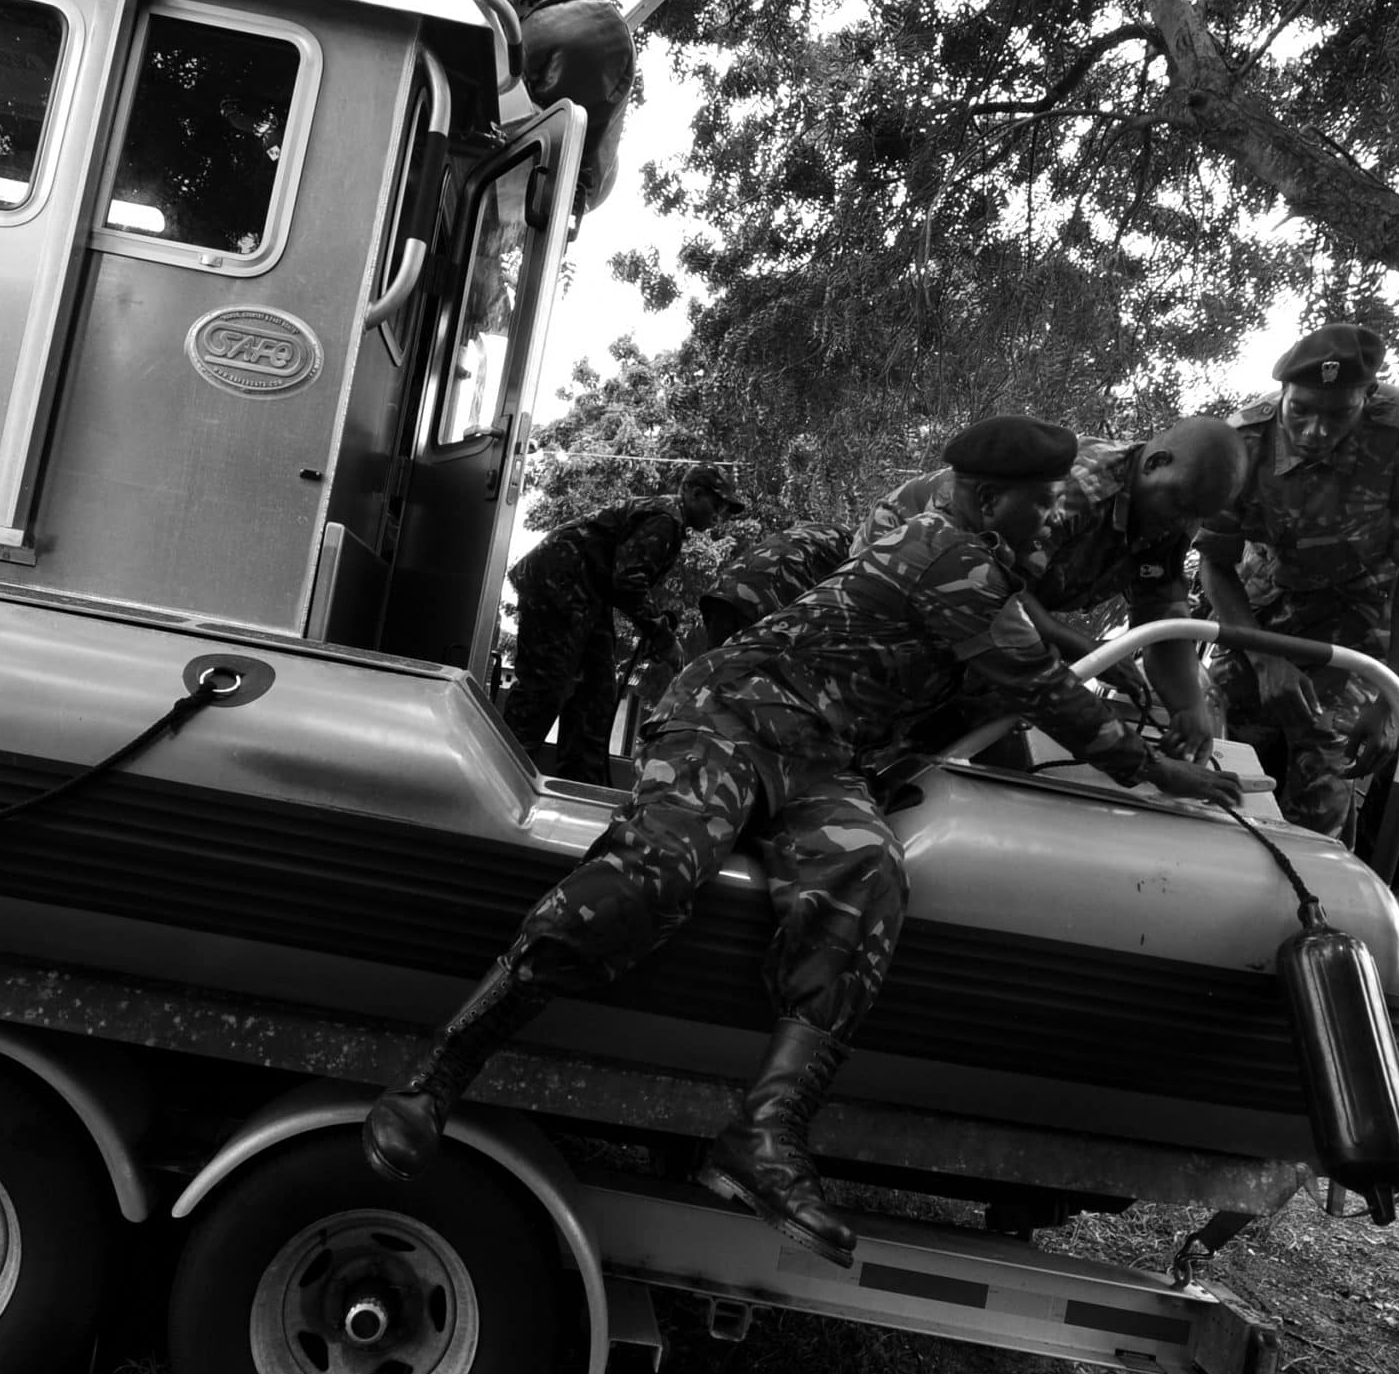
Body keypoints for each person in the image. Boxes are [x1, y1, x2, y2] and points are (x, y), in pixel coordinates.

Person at [365, 417, 1242, 1266]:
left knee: (866, 872)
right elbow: (1047, 690)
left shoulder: (993, 568)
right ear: (984, 494)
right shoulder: (947, 554)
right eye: (1039, 500)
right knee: (660, 871)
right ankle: (439, 1072)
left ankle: (763, 1135)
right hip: (734, 716)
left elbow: (1040, 668)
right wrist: (1167, 772)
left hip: (824, 755)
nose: (1052, 514)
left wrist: (1168, 718)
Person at [858, 417, 1250, 754]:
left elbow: (1163, 616)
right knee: (944, 687)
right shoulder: (1079, 488)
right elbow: (993, 586)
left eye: (1194, 516)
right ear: (1156, 463)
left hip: (990, 590)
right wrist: (1090, 652)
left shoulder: (1178, 508)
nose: (1178, 523)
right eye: (1179, 507)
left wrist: (1188, 709)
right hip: (910, 560)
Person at [1197, 322, 1399, 838]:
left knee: (1328, 758)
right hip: (1259, 613)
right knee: (1198, 724)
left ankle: (1321, 901)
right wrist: (1266, 659)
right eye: (1301, 412)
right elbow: (1214, 560)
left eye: (1338, 415)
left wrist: (1390, 697)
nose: (1315, 430)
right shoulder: (1243, 439)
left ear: (1368, 398)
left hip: (1356, 616)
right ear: (1283, 395)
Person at [503, 465, 744, 784]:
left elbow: (624, 581)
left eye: (725, 512)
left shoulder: (670, 521)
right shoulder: (665, 519)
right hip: (559, 584)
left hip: (588, 594)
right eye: (717, 506)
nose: (720, 517)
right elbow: (628, 583)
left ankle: (580, 786)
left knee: (598, 690)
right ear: (693, 493)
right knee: (546, 686)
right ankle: (496, 775)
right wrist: (663, 639)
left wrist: (660, 630)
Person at [697, 520, 852, 650]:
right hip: (763, 599)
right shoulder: (854, 549)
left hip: (724, 592)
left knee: (715, 670)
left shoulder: (815, 529)